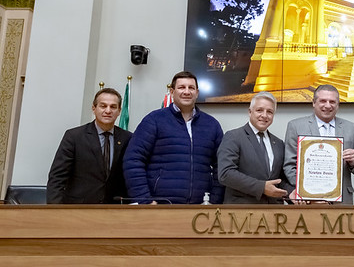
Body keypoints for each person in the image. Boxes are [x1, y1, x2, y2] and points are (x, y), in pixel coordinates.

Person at [123, 71, 224, 204]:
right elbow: (133, 160)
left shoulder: (212, 125)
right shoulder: (154, 120)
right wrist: (144, 200)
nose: (187, 92)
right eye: (182, 87)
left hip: (201, 208)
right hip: (160, 205)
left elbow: (221, 166)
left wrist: (214, 200)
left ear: (197, 93)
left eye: (191, 88)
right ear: (172, 92)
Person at [47, 88, 132, 204]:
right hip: (79, 208)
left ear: (119, 111)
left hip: (113, 210)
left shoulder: (127, 138)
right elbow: (57, 177)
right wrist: (55, 210)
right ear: (94, 108)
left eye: (113, 107)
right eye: (103, 106)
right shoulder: (74, 136)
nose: (108, 111)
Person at [283, 84, 354, 204]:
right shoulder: (295, 126)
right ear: (314, 103)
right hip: (308, 201)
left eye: (332, 101)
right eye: (323, 101)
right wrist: (307, 191)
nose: (327, 105)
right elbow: (289, 166)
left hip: (343, 202)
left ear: (338, 104)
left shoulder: (351, 128)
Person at [218, 91, 294, 204]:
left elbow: (279, 179)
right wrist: (262, 187)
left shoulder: (278, 143)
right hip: (241, 213)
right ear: (250, 112)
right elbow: (226, 173)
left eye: (269, 112)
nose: (264, 115)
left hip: (274, 213)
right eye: (259, 110)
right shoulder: (233, 137)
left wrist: (292, 193)